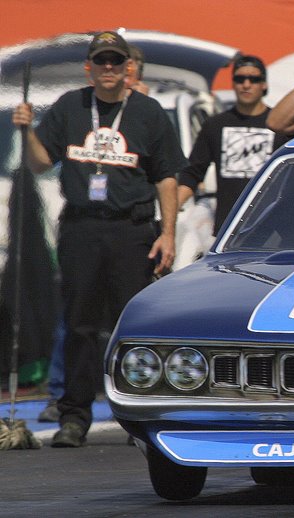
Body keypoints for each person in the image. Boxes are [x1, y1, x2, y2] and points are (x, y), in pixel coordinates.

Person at [12, 30, 184, 447]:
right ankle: (74, 417)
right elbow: (39, 163)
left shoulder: (148, 112)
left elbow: (166, 176)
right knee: (79, 325)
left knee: (133, 326)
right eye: (101, 61)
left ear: (128, 67)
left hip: (131, 229)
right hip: (82, 228)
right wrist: (27, 130)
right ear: (89, 68)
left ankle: (139, 413)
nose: (109, 68)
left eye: (116, 61)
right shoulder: (70, 106)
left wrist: (168, 234)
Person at [178, 55, 286, 235]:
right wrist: (169, 213)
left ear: (264, 84)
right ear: (233, 83)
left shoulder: (281, 125)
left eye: (253, 79)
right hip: (228, 230)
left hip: (272, 231)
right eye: (240, 79)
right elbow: (192, 173)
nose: (246, 84)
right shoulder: (216, 125)